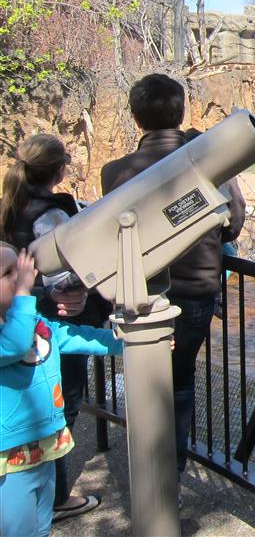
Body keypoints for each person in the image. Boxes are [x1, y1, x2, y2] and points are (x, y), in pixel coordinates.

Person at [101, 74, 246, 483]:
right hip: (196, 291)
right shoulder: (205, 161)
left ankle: (148, 471)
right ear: (182, 111)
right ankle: (171, 475)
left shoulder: (115, 173)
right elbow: (233, 224)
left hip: (139, 293)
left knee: (145, 379)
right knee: (179, 381)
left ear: (136, 117)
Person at [0, 133, 108, 522]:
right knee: (66, 403)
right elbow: (67, 272)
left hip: (35, 316)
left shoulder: (10, 207)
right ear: (59, 170)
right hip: (49, 318)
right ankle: (59, 497)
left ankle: (49, 497)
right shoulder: (53, 215)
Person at [0, 244, 123, 537]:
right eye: (8, 273)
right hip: (10, 462)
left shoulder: (35, 322)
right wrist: (24, 292)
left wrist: (128, 342)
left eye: (21, 269)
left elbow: (76, 336)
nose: (21, 277)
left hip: (44, 447)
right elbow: (15, 345)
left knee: (42, 526)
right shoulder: (15, 331)